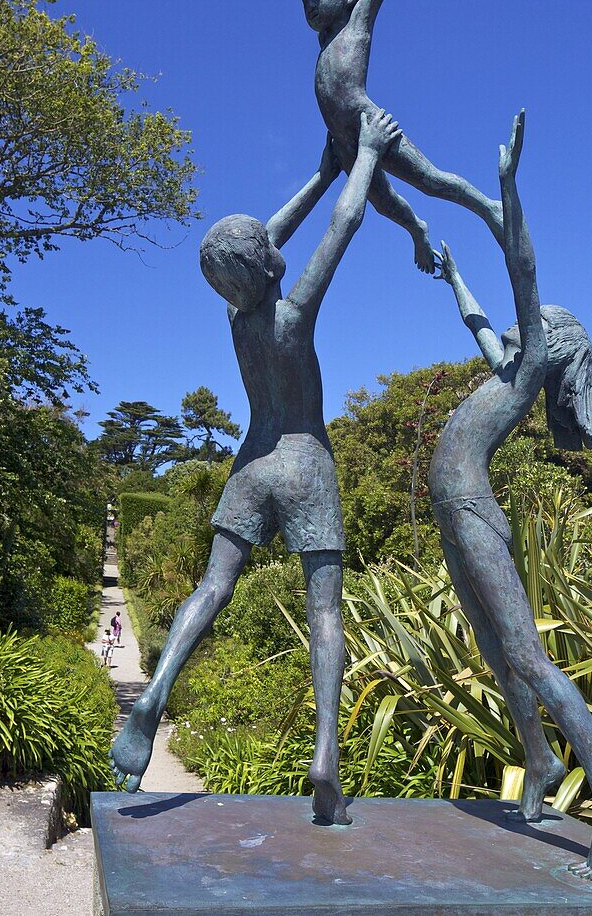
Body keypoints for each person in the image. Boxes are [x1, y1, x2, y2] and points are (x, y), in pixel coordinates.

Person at [109, 109, 401, 824]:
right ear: (266, 267)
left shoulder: (236, 318)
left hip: (251, 461)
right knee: (324, 610)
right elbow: (344, 225)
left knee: (213, 587)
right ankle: (326, 752)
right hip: (304, 460)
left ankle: (155, 692)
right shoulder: (291, 312)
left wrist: (317, 170)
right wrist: (361, 157)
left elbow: (259, 242)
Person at [430, 110, 592, 883]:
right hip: (450, 510)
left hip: (471, 507)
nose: (521, 327)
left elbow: (520, 268)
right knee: (494, 651)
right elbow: (480, 318)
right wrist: (451, 273)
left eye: (533, 324)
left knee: (525, 654)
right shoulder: (502, 366)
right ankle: (540, 759)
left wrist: (507, 188)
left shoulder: (524, 374)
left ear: (546, 343)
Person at [295, 0, 506, 274]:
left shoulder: (357, 24)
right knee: (384, 203)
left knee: (430, 180)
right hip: (342, 140)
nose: (309, 4)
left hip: (369, 126)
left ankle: (488, 207)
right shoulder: (323, 44)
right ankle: (417, 230)